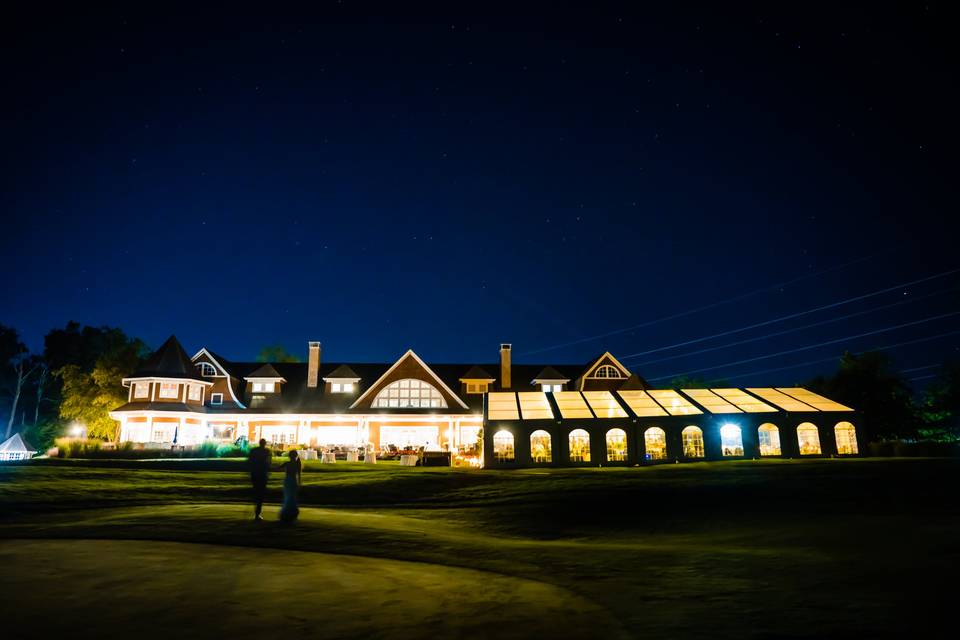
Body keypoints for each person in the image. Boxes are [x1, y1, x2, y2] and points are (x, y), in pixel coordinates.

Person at [248, 438, 272, 521]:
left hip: (255, 474)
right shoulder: (267, 451)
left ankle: (257, 512)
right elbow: (269, 463)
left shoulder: (254, 451)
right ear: (264, 444)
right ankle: (257, 513)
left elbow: (249, 461)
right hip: (262, 474)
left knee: (256, 493)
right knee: (260, 494)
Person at [279, 449, 302, 523]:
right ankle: (292, 513)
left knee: (289, 497)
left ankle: (287, 513)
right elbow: (299, 474)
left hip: (288, 481)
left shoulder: (288, 463)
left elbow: (278, 467)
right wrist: (299, 482)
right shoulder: (296, 463)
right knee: (292, 497)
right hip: (292, 481)